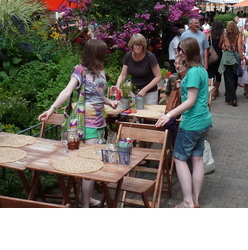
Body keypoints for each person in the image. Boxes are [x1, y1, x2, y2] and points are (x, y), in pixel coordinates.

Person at [38, 38, 118, 207]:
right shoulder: (80, 70)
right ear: (96, 54)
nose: (106, 55)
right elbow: (67, 91)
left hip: (99, 121)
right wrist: (52, 109)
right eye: (103, 52)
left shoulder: (100, 71)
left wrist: (108, 102)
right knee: (89, 163)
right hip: (85, 122)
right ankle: (85, 205)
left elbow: (97, 94)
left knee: (91, 162)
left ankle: (86, 198)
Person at [156, 37, 212, 208]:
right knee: (197, 159)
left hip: (193, 122)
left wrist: (169, 115)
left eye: (182, 50)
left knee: (179, 159)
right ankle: (194, 201)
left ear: (189, 52)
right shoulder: (201, 70)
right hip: (203, 121)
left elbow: (191, 101)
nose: (179, 52)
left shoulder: (194, 72)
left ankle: (187, 201)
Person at [116, 33, 162, 105]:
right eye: (136, 45)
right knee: (136, 113)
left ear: (143, 46)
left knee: (149, 114)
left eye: (140, 45)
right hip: (135, 91)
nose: (138, 47)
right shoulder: (128, 56)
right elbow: (123, 74)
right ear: (132, 45)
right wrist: (117, 86)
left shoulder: (150, 57)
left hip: (150, 92)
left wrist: (144, 90)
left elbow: (158, 76)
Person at [218, 20, 245, 106]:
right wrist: (241, 57)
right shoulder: (238, 35)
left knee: (227, 78)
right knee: (234, 78)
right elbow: (240, 47)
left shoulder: (224, 35)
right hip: (234, 57)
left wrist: (224, 46)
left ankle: (230, 97)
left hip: (226, 57)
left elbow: (220, 45)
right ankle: (232, 97)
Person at [206, 20, 224, 97]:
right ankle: (216, 89)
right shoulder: (222, 35)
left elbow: (206, 44)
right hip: (219, 55)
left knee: (210, 73)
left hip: (211, 56)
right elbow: (221, 46)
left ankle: (211, 90)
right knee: (218, 73)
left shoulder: (209, 34)